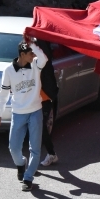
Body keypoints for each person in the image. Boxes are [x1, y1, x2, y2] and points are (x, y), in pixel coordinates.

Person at [0, 37, 48, 191]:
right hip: (18, 113)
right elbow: (3, 94)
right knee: (13, 147)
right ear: (22, 54)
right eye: (31, 53)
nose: (34, 55)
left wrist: (32, 44)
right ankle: (21, 163)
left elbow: (43, 58)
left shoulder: (36, 65)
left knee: (35, 149)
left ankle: (28, 177)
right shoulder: (9, 71)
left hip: (35, 111)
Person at [36, 39, 59, 167]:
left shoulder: (44, 61)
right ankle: (33, 162)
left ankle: (51, 154)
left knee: (41, 127)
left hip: (45, 99)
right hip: (32, 100)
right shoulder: (26, 63)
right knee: (33, 127)